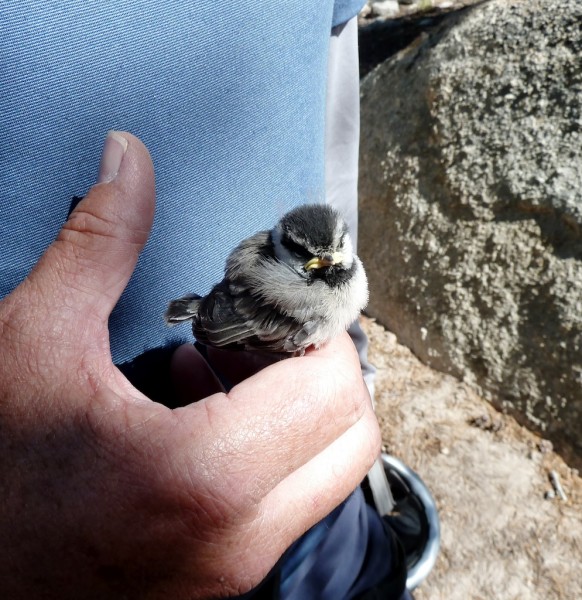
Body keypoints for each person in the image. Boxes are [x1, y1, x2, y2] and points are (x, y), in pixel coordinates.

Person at [0, 2, 410, 598]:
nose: (324, 271)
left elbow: (335, 69)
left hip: (301, 482)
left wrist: (357, 367)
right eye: (310, 263)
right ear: (282, 248)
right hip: (120, 505)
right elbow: (228, 321)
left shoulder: (332, 269)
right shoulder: (286, 292)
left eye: (333, 259)